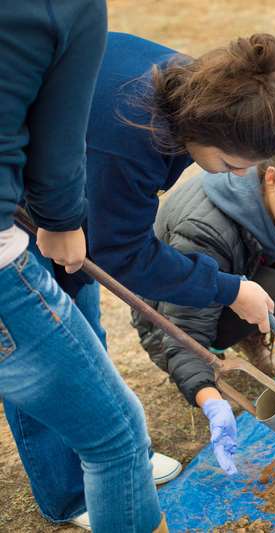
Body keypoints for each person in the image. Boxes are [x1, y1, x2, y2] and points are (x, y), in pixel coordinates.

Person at [3, 30, 275, 530]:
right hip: (20, 213)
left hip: (57, 196)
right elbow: (126, 256)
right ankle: (70, 493)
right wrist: (231, 288)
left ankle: (115, 463)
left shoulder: (197, 86)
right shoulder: (129, 137)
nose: (234, 176)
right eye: (230, 164)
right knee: (46, 364)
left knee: (82, 337)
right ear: (209, 131)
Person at [0, 1, 167, 531]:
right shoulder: (66, 8)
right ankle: (72, 493)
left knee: (68, 345)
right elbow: (58, 134)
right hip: (16, 235)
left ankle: (72, 490)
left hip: (21, 210)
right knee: (116, 432)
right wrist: (64, 218)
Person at [132, 96, 275, 474]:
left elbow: (244, 249)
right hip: (167, 320)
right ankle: (219, 361)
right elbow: (180, 329)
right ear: (271, 179)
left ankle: (249, 340)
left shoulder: (259, 190)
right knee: (274, 293)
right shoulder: (203, 230)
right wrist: (208, 395)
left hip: (217, 289)